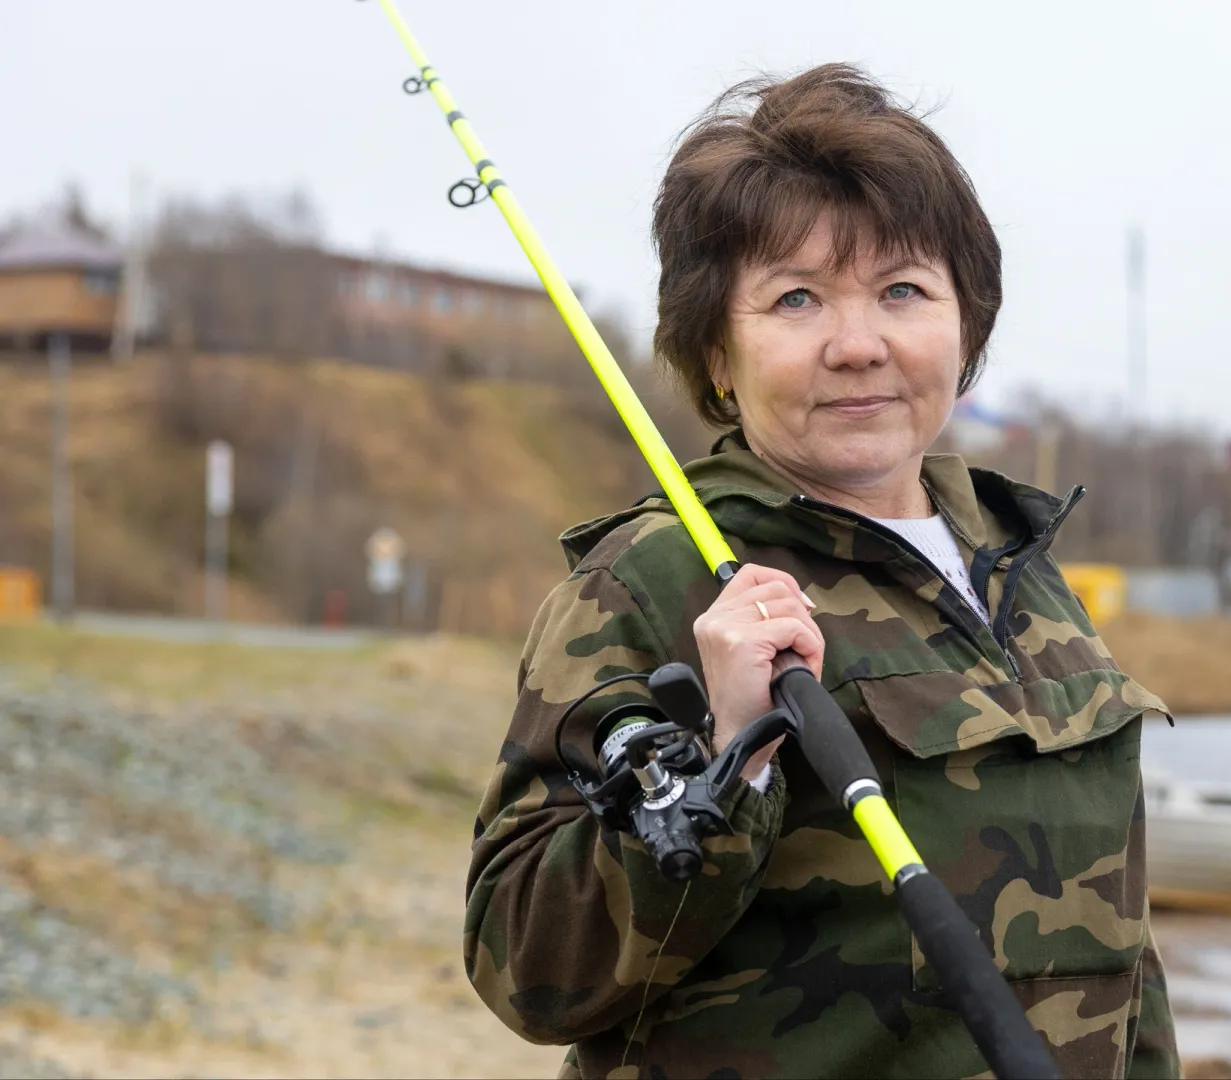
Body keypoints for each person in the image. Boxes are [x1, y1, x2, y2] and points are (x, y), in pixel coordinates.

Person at [464, 63, 1180, 1080]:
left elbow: (1122, 957)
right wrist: (726, 765)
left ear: (964, 322)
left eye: (902, 290)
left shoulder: (1020, 568)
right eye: (796, 299)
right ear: (718, 351)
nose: (858, 345)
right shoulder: (648, 584)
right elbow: (525, 969)